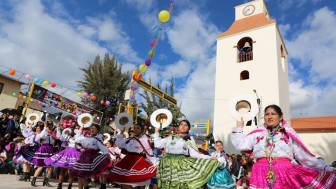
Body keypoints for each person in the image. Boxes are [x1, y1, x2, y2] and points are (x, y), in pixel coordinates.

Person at [231, 104, 336, 189]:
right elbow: (241, 144)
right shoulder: (258, 132)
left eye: (273, 114)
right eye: (267, 114)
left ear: (280, 116)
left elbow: (304, 157)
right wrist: (239, 128)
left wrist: (326, 167)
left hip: (285, 174)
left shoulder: (288, 133)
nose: (270, 116)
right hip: (260, 173)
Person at [152, 119, 219, 189]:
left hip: (181, 166)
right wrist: (156, 131)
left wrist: (209, 158)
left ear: (188, 128)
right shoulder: (170, 137)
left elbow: (196, 154)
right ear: (178, 127)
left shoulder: (189, 139)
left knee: (180, 186)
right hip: (166, 165)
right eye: (181, 124)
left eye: (186, 125)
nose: (183, 126)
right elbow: (157, 144)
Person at [110, 122, 157, 189]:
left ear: (142, 129)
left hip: (140, 161)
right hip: (128, 161)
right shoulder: (130, 139)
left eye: (138, 128)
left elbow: (149, 152)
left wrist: (154, 163)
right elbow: (119, 144)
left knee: (140, 183)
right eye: (134, 128)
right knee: (124, 181)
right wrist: (121, 133)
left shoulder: (145, 139)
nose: (135, 129)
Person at [31, 121, 56, 187]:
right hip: (43, 149)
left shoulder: (51, 133)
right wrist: (45, 128)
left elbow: (54, 141)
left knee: (50, 167)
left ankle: (46, 181)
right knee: (41, 166)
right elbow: (41, 137)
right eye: (48, 126)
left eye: (50, 126)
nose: (50, 127)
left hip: (50, 149)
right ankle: (33, 180)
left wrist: (52, 134)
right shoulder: (40, 133)